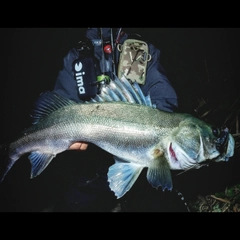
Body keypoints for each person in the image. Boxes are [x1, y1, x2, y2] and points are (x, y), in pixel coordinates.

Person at [52, 28, 183, 212]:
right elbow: (61, 106)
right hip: (89, 168)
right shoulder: (75, 56)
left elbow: (164, 101)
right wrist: (64, 138)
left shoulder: (141, 51)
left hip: (140, 166)